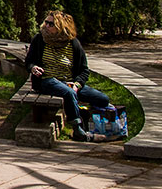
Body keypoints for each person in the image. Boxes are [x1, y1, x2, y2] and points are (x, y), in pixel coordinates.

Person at [26, 9, 112, 143]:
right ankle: (78, 131)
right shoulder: (39, 39)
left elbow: (84, 70)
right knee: (69, 93)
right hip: (47, 80)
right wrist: (33, 68)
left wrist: (77, 85)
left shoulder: (73, 43)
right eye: (46, 23)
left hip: (70, 82)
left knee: (103, 99)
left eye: (51, 24)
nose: (46, 26)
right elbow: (29, 61)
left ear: (61, 27)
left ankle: (84, 114)